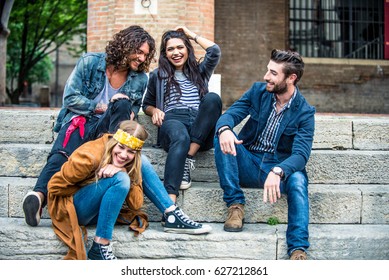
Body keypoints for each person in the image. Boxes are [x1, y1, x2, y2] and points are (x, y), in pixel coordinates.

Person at [22, 25, 156, 227]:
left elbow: (131, 114)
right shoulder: (90, 62)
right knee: (64, 149)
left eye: (146, 55)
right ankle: (38, 196)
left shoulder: (140, 79)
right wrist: (102, 106)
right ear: (125, 45)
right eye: (139, 52)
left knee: (122, 104)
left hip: (109, 133)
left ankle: (113, 156)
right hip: (82, 120)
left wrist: (121, 109)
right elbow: (70, 98)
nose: (142, 58)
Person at [48, 120, 212, 260]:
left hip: (99, 210)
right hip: (74, 208)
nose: (124, 155)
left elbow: (136, 204)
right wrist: (93, 177)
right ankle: (100, 245)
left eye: (131, 152)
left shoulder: (130, 162)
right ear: (114, 142)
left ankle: (171, 213)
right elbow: (53, 186)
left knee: (140, 164)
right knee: (120, 180)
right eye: (121, 147)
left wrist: (125, 170)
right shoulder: (89, 157)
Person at [213, 49, 315, 260]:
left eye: (273, 73)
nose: (266, 76)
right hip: (249, 162)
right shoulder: (258, 92)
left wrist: (278, 170)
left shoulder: (304, 112)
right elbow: (231, 114)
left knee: (297, 180)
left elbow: (301, 154)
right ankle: (235, 205)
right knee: (222, 135)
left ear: (291, 78)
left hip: (278, 169)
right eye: (268, 70)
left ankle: (297, 248)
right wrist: (224, 129)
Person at [142, 26, 222, 207]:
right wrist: (154, 111)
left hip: (199, 127)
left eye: (180, 47)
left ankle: (188, 157)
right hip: (172, 122)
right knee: (180, 136)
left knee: (213, 99)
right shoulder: (158, 75)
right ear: (165, 53)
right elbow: (146, 104)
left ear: (187, 49)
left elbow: (214, 51)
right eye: (170, 49)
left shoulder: (200, 72)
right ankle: (169, 206)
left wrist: (190, 34)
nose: (176, 52)